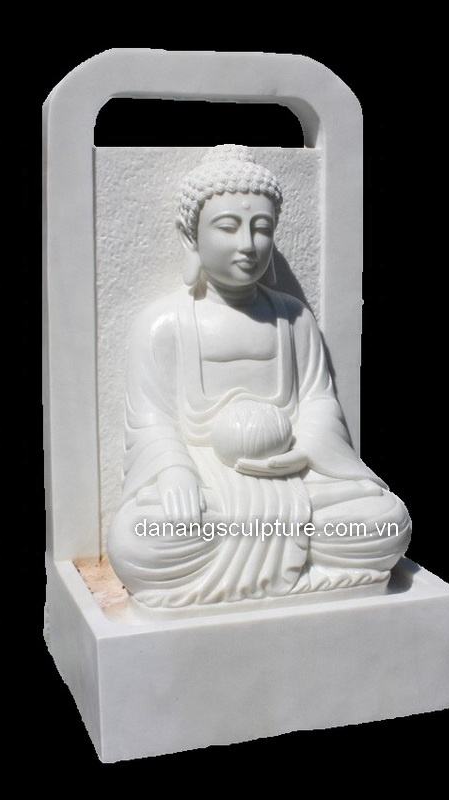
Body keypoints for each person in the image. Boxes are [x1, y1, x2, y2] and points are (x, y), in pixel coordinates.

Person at [108, 145, 410, 608]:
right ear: (191, 236)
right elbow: (151, 419)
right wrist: (174, 472)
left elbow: (318, 401)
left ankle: (258, 568)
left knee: (386, 521)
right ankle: (296, 566)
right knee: (140, 540)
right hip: (207, 482)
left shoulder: (293, 318)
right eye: (228, 227)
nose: (248, 244)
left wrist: (305, 451)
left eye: (262, 228)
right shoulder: (163, 323)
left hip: (293, 475)